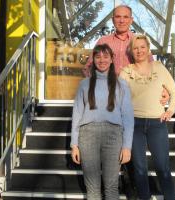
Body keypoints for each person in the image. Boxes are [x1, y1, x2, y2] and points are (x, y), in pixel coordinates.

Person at [120, 34, 175, 200]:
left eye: (142, 47)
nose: (139, 51)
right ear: (131, 51)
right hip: (134, 125)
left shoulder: (159, 68)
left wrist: (170, 110)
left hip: (157, 123)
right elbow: (119, 98)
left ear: (148, 49)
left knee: (163, 167)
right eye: (135, 48)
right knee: (139, 168)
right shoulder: (126, 72)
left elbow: (174, 92)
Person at [70, 44, 134, 200]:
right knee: (92, 188)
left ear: (112, 59)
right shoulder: (84, 84)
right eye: (98, 57)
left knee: (111, 186)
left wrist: (127, 147)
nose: (102, 60)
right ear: (93, 60)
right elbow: (77, 114)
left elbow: (128, 117)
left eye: (106, 56)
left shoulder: (121, 84)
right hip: (87, 135)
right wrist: (74, 145)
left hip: (114, 136)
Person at [84, 5, 169, 105]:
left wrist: (164, 88)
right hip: (107, 98)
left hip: (133, 98)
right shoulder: (103, 41)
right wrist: (97, 85)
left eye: (125, 17)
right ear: (112, 20)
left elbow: (152, 68)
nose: (121, 21)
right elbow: (88, 67)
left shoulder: (139, 42)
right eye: (118, 17)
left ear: (131, 20)